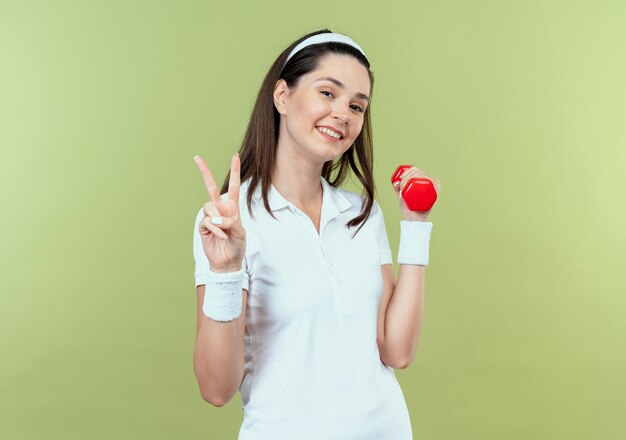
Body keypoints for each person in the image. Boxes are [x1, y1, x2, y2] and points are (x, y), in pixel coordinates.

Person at [191, 29, 441, 440]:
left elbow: (397, 350)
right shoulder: (232, 222)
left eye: (357, 105)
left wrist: (416, 226)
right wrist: (226, 269)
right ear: (283, 97)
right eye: (328, 93)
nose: (344, 113)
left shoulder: (361, 213)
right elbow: (216, 389)